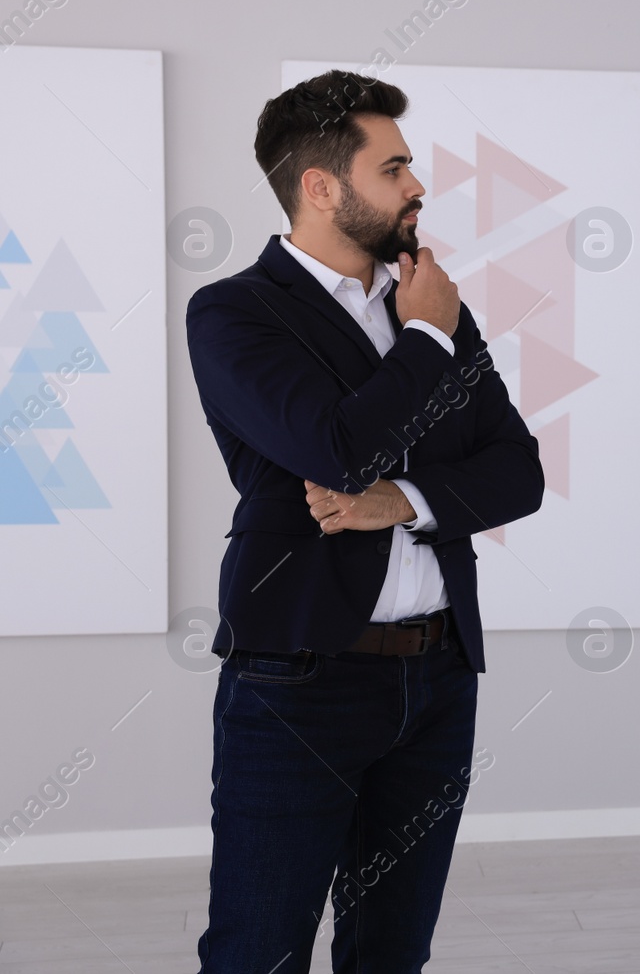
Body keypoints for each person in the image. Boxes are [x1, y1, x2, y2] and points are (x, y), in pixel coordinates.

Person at [184, 69, 544, 973]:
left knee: (392, 952)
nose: (417, 186)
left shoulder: (429, 300)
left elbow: (519, 470)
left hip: (437, 678)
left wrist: (403, 502)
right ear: (321, 186)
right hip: (298, 681)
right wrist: (423, 339)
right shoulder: (233, 313)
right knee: (257, 951)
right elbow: (336, 447)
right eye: (394, 168)